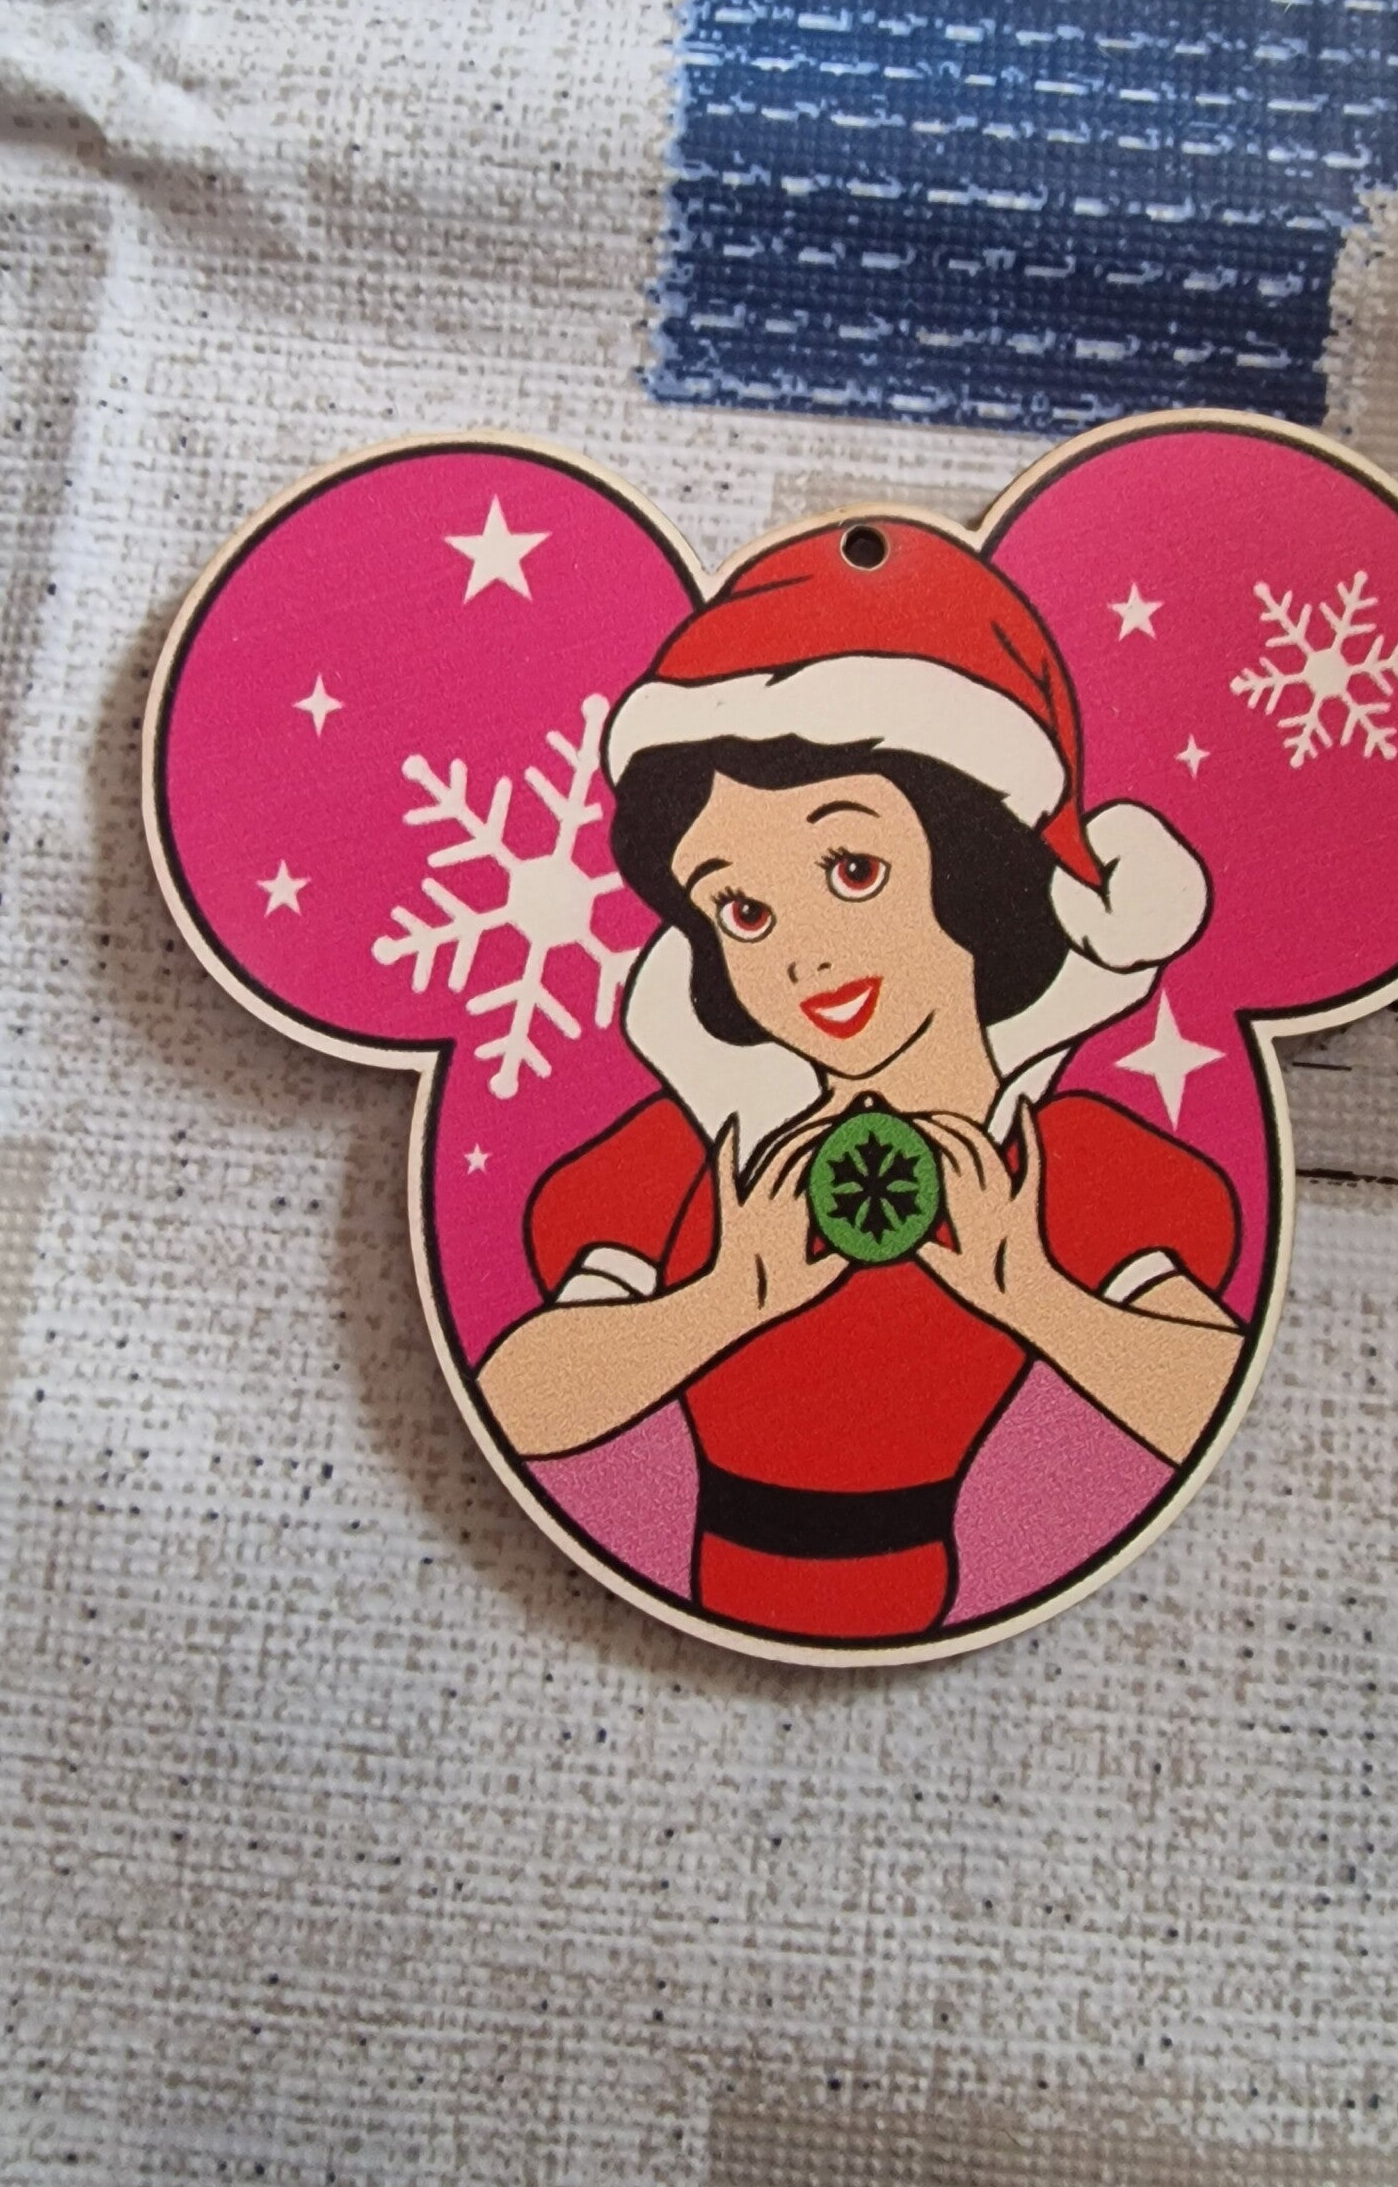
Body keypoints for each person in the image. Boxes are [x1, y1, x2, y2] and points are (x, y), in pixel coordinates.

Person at [477, 516, 1244, 1645]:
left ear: (975, 865)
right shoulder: (703, 1159)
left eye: (851, 868)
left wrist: (1028, 1290)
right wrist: (728, 1299)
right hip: (652, 1603)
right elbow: (519, 1397)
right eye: (742, 909)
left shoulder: (1069, 1163)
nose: (803, 957)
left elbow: (1209, 1392)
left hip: (957, 1606)